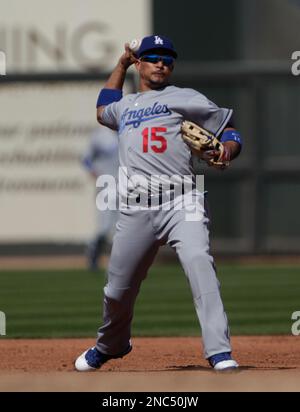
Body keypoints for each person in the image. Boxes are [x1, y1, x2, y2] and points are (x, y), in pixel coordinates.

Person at [75, 35, 243, 372]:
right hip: (136, 207)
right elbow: (102, 108)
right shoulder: (124, 106)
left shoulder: (187, 98)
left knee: (199, 262)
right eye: (152, 57)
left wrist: (227, 150)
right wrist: (121, 63)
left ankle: (219, 351)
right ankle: (111, 344)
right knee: (117, 290)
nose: (161, 63)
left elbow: (231, 132)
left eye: (167, 58)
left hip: (182, 198)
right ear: (140, 64)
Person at [82, 126, 119, 271]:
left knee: (122, 227)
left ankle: (119, 262)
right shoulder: (100, 136)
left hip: (126, 185)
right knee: (104, 226)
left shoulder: (129, 128)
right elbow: (86, 159)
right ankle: (93, 254)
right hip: (106, 185)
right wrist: (95, 172)